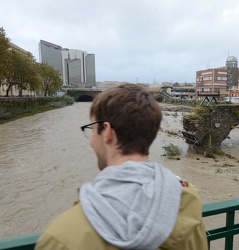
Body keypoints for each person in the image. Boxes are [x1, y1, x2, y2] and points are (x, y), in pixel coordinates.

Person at [35, 84, 208, 250]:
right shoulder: (190, 212)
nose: (91, 142)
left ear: (108, 132)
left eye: (93, 129)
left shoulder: (61, 237)